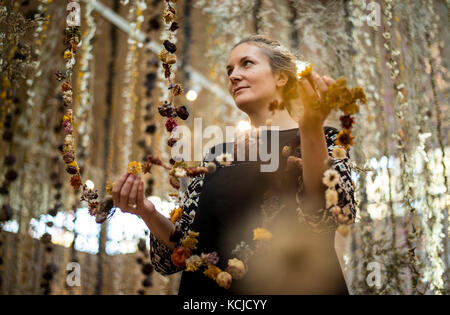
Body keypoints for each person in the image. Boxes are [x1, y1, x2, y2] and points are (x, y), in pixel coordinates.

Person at [112, 35, 356, 295]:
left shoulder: (323, 138)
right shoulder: (216, 156)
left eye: (246, 64)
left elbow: (329, 212)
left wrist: (310, 127)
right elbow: (181, 250)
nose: (233, 76)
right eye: (230, 70)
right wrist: (147, 212)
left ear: (281, 78)